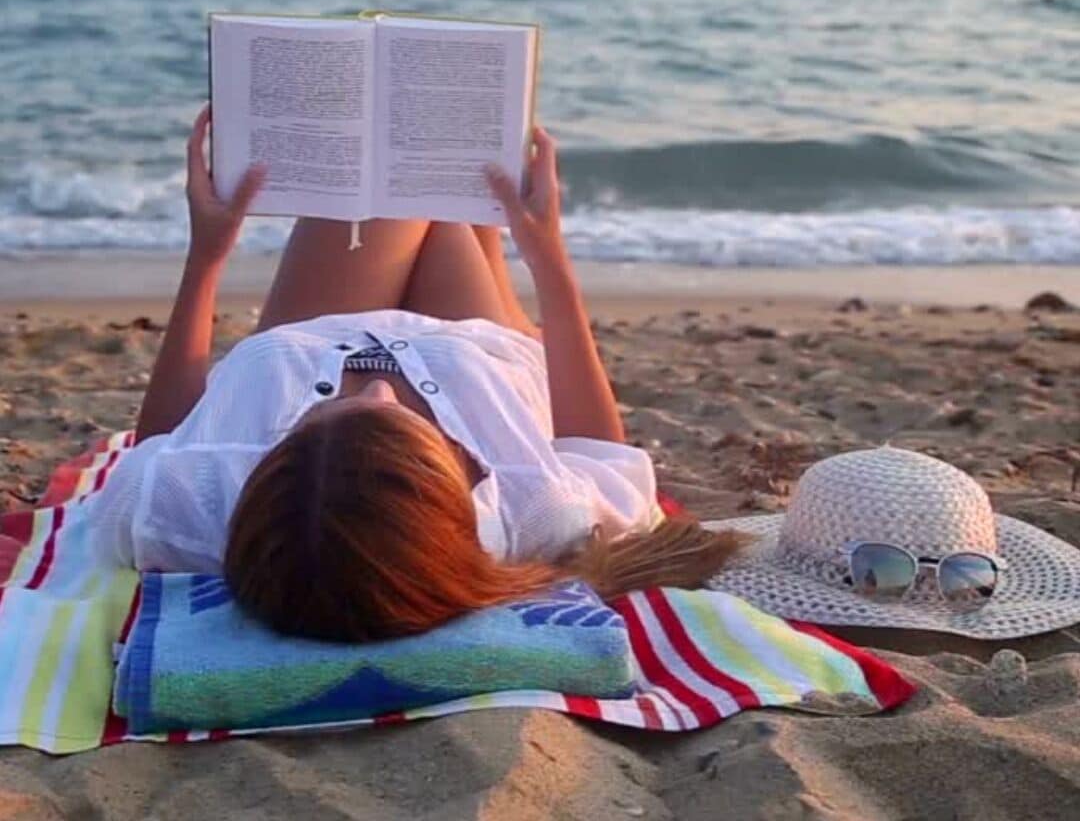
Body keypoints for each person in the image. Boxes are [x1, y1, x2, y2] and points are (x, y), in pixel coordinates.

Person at [88, 108, 744, 641]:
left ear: (270, 465)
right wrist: (547, 256)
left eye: (330, 412)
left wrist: (206, 256)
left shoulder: (205, 510)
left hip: (312, 330)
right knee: (440, 170)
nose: (376, 382)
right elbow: (601, 450)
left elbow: (156, 447)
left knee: (381, 156)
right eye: (399, 416)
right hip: (477, 352)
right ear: (452, 485)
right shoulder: (529, 513)